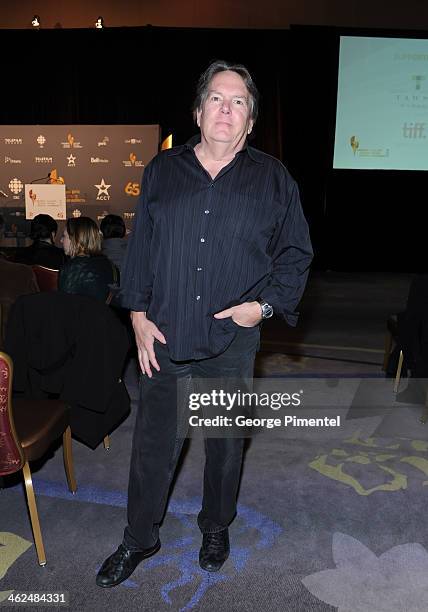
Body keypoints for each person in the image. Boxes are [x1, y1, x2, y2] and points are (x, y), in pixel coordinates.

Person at [96, 60, 313, 588]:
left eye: (238, 102)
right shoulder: (163, 171)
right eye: (217, 98)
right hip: (165, 337)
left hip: (230, 343)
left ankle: (216, 527)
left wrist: (260, 309)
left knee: (224, 447)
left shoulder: (273, 179)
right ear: (198, 111)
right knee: (152, 448)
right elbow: (142, 247)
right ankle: (139, 539)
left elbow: (296, 254)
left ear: (250, 121)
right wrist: (138, 315)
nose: (226, 108)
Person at [59, 216, 117, 303]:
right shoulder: (110, 265)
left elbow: (66, 305)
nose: (61, 240)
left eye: (64, 236)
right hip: (103, 315)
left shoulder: (73, 268)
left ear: (76, 239)